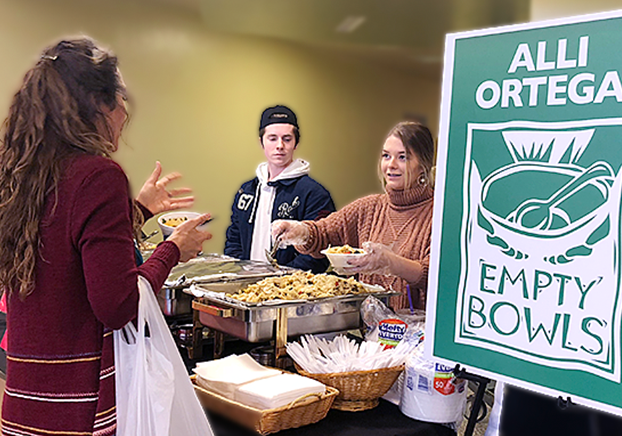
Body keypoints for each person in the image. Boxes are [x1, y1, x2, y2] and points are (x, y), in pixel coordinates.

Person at [0, 37, 211, 435]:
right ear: (98, 105)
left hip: (25, 399)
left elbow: (63, 249)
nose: (124, 114)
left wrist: (138, 211)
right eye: (119, 102)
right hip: (79, 405)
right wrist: (171, 250)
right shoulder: (98, 175)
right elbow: (116, 305)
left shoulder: (23, 173)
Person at [272, 121, 435, 310]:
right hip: (370, 331)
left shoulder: (438, 215)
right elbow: (323, 232)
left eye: (403, 157)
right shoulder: (369, 207)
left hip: (416, 333)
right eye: (386, 155)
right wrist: (300, 231)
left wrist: (390, 262)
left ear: (423, 165)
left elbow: (437, 277)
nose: (391, 165)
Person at [224, 104, 335, 273]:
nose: (280, 146)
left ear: (296, 143)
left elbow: (320, 251)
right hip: (246, 288)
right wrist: (241, 273)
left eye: (287, 139)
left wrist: (281, 280)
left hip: (291, 292)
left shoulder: (314, 194)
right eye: (272, 138)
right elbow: (233, 239)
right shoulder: (246, 191)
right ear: (262, 142)